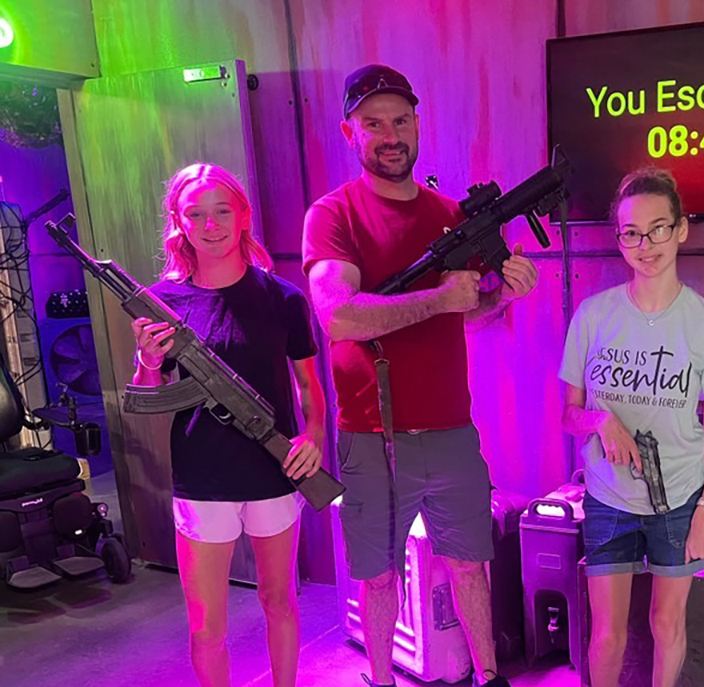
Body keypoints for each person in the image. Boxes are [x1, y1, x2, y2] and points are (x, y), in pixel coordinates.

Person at [301, 64, 538, 687]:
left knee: (469, 566)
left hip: (453, 429)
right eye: (373, 123)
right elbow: (338, 316)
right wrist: (437, 299)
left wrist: (501, 298)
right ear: (349, 131)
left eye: (400, 120)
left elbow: (467, 318)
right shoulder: (333, 216)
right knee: (377, 575)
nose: (389, 134)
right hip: (370, 434)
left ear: (417, 124)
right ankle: (380, 680)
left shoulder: (447, 212)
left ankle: (489, 677)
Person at [132, 162, 325, 687]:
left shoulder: (283, 298)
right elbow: (148, 398)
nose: (211, 224)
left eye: (222, 211)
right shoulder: (163, 303)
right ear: (180, 222)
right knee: (206, 627)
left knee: (278, 600)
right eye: (196, 213)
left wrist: (314, 437)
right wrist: (148, 359)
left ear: (243, 215)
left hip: (273, 470)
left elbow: (310, 388)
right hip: (204, 481)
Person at [559, 168, 704, 687]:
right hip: (607, 499)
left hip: (680, 501)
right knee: (607, 635)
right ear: (619, 239)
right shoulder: (593, 317)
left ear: (682, 228)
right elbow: (568, 415)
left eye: (659, 228)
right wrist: (600, 419)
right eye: (631, 233)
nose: (646, 245)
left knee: (666, 622)